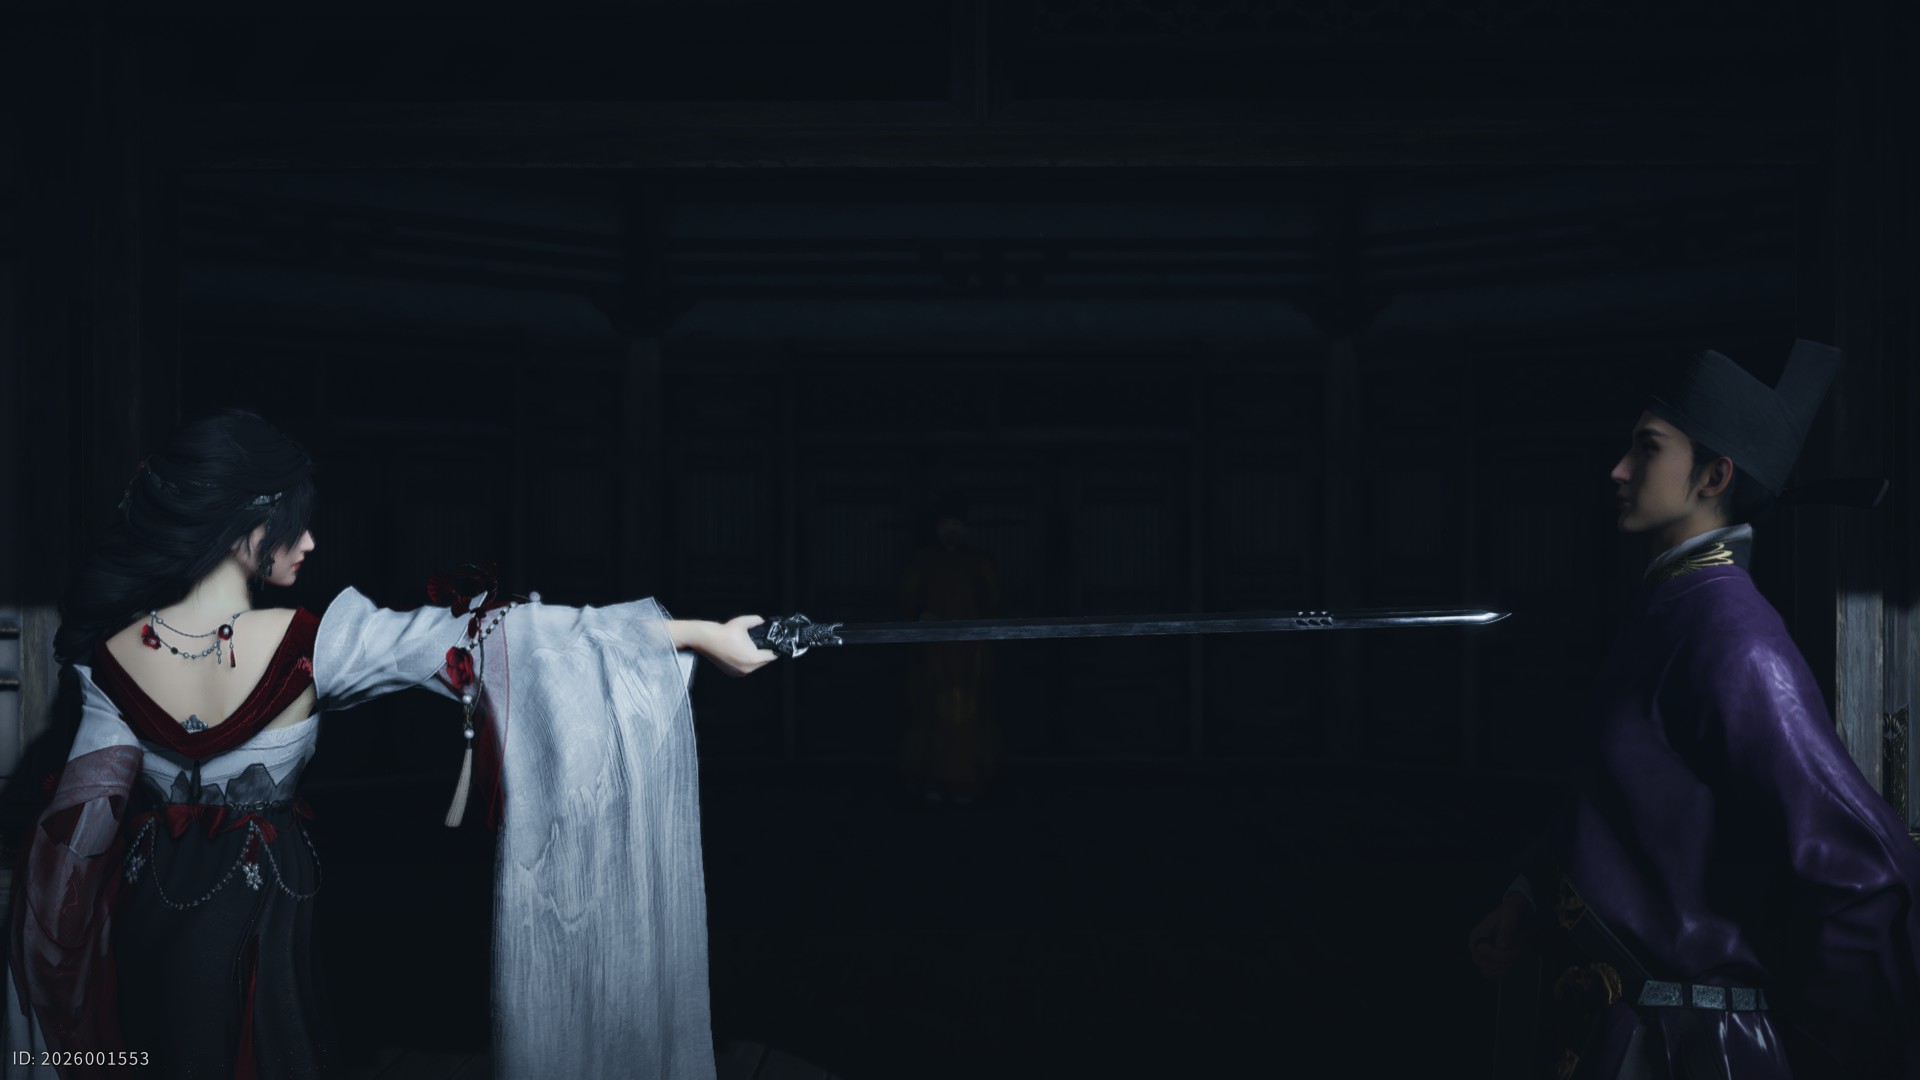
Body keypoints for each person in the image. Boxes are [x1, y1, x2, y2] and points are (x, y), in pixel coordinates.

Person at [3, 408, 776, 1079]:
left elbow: (78, 834)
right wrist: (700, 635)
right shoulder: (317, 642)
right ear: (246, 528)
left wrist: (50, 980)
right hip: (262, 914)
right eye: (296, 521)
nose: (310, 540)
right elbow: (515, 637)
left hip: (151, 911)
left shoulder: (109, 657)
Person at [1467, 341, 1920, 1079]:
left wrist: (1827, 1056)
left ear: (1714, 476)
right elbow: (1622, 812)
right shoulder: (1669, 607)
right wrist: (1530, 899)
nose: (1619, 469)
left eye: (1647, 449)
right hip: (1612, 1030)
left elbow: (1865, 871)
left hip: (1690, 1053)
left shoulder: (1735, 640)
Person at [897, 491, 1001, 805]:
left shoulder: (979, 562)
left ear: (964, 527)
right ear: (936, 527)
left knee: (970, 719)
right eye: (945, 523)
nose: (951, 530)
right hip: (932, 654)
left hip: (971, 655)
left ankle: (967, 783)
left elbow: (993, 603)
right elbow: (907, 601)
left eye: (956, 523)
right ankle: (929, 782)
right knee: (928, 715)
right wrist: (920, 615)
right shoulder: (923, 561)